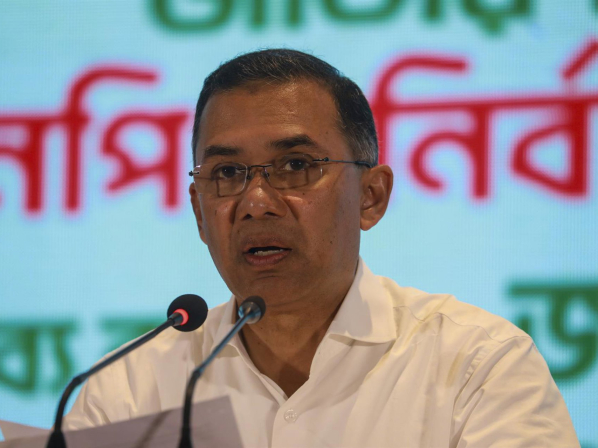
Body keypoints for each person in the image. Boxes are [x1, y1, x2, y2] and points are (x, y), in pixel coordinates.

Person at [65, 49, 579, 447]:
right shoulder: (127, 389)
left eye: (295, 166)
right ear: (200, 212)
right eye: (228, 173)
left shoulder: (478, 365)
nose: (255, 203)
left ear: (371, 197)